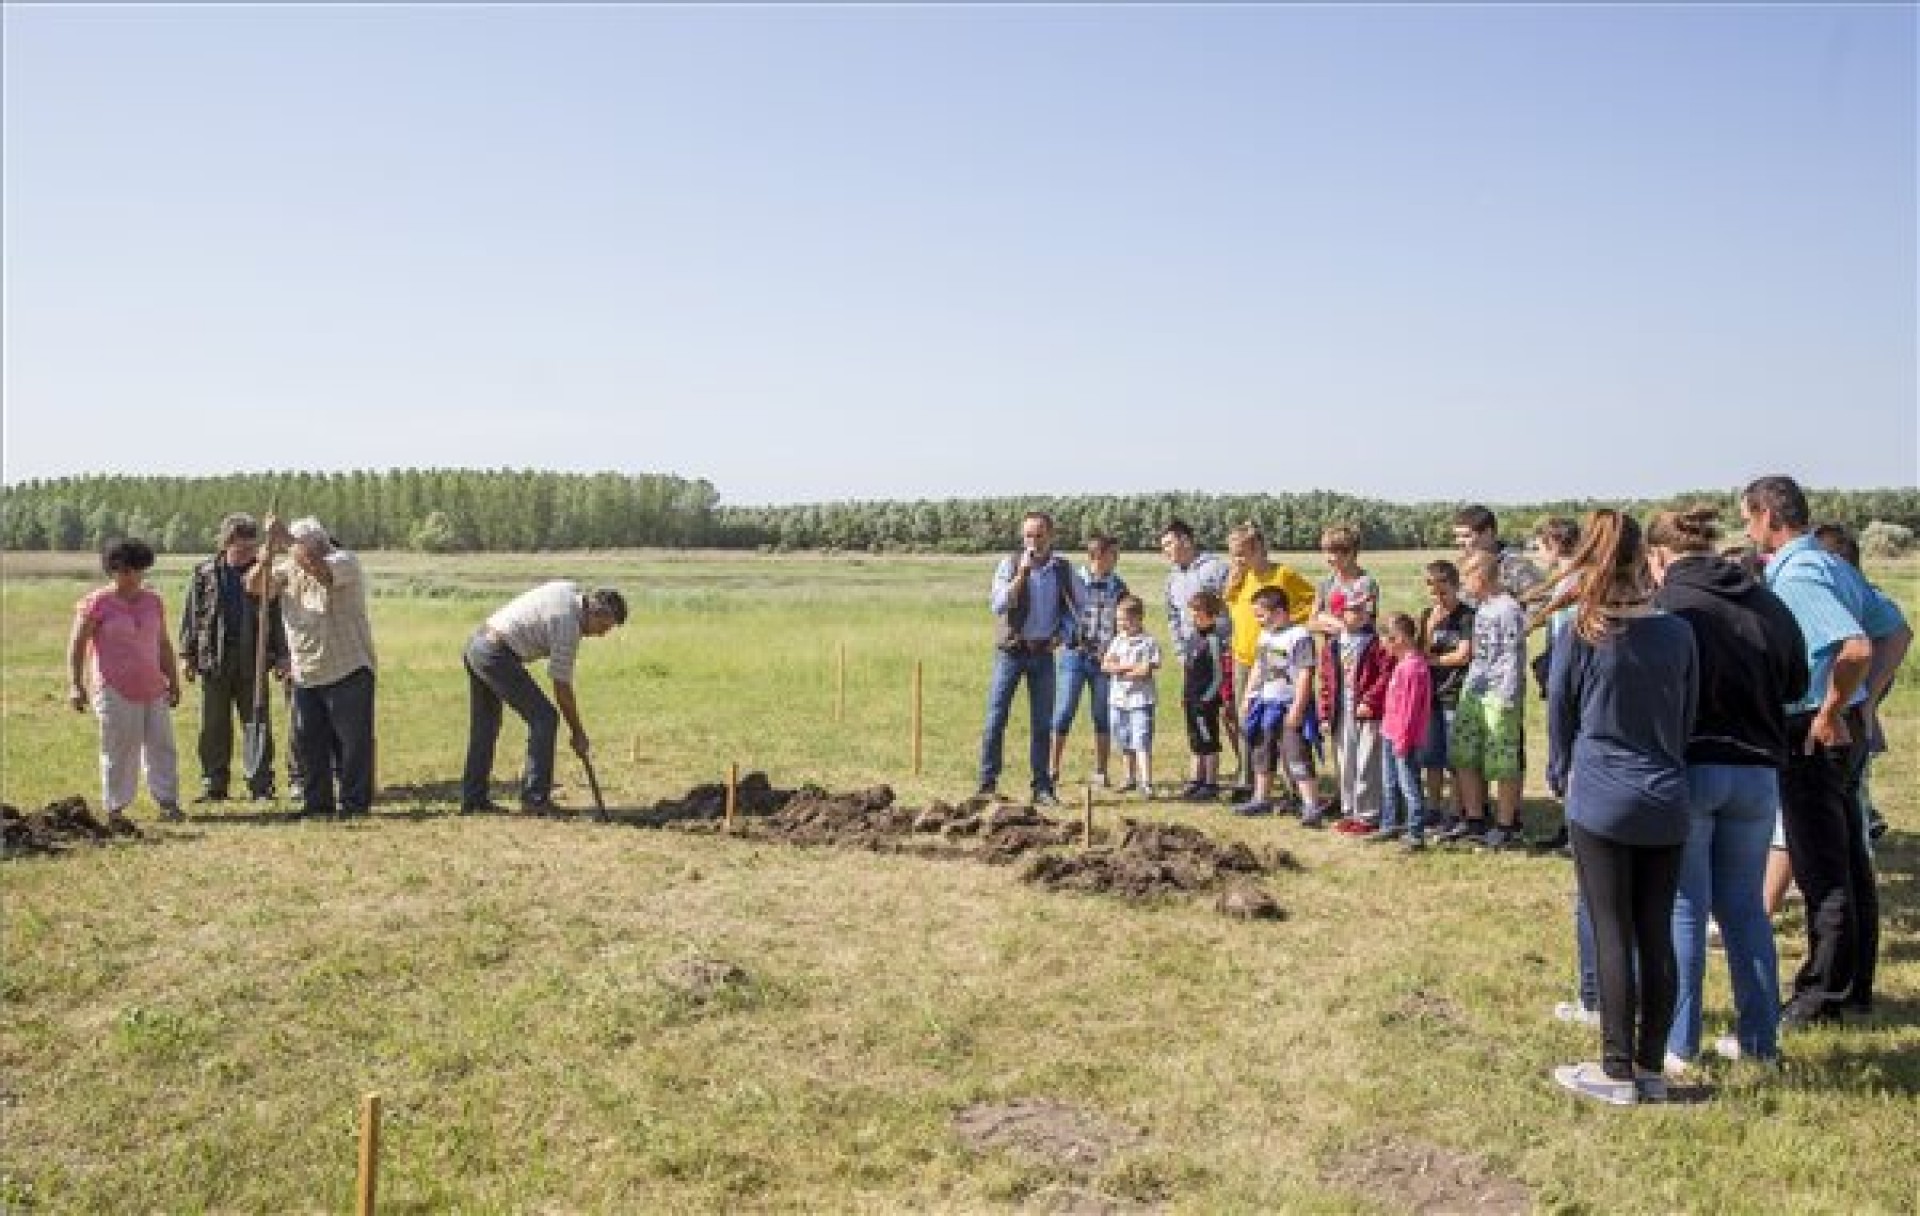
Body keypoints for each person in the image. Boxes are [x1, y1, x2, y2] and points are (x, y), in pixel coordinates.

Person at [1645, 505, 1808, 1067]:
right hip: (1760, 770)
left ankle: (1679, 1042)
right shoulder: (1769, 602)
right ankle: (1761, 1041)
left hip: (1692, 767)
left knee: (1685, 906)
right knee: (1744, 905)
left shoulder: (1668, 606)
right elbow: (1797, 682)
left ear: (1660, 556)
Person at [1546, 510, 1698, 1106]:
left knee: (1612, 932)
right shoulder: (1680, 633)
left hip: (1602, 796)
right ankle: (1651, 1067)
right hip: (1666, 794)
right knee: (1654, 933)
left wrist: (1561, 773)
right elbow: (1687, 715)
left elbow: (1561, 713)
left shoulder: (1582, 630)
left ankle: (1614, 1070)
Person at [1740, 476, 1903, 1026]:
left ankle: (1820, 995)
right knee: (1852, 861)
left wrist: (1832, 711)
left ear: (1767, 516)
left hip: (1812, 727)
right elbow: (1894, 630)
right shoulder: (1831, 563)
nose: (1747, 530)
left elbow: (1856, 645)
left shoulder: (1800, 573)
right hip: (1841, 723)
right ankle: (1854, 985)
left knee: (1822, 867)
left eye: (1748, 518)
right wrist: (1864, 703)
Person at [461, 582, 628, 815]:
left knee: (485, 727)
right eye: (603, 627)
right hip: (496, 654)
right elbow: (562, 687)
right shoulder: (568, 626)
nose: (600, 635)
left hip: (477, 645)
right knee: (544, 718)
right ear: (596, 612)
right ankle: (535, 800)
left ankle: (474, 800)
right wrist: (577, 732)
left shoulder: (569, 590)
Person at [253, 515, 378, 818]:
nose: (296, 551)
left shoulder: (344, 561)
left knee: (353, 744)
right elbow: (256, 587)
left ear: (320, 543)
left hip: (348, 667)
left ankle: (354, 804)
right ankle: (317, 803)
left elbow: (319, 571)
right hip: (306, 673)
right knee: (309, 743)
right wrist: (264, 560)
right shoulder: (289, 567)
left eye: (301, 544)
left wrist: (285, 541)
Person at [66, 539, 183, 828]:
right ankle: (115, 808)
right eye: (127, 571)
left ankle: (168, 803)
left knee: (162, 746)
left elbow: (163, 644)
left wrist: (174, 680)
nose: (135, 577)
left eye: (139, 571)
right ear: (114, 570)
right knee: (120, 747)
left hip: (153, 686)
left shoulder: (153, 601)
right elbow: (77, 644)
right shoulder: (96, 603)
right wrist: (75, 684)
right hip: (113, 687)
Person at [178, 512, 290, 804]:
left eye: (251, 549)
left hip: (252, 662)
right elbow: (192, 615)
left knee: (257, 722)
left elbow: (276, 616)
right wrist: (186, 655)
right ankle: (214, 785)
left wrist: (281, 656)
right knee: (213, 725)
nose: (246, 556)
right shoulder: (204, 573)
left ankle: (261, 784)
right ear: (226, 543)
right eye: (240, 549)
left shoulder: (263, 573)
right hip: (213, 659)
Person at [1811, 523, 1911, 844]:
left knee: (1847, 785)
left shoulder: (1855, 595)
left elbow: (1895, 634)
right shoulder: (1858, 593)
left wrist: (1866, 698)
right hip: (1848, 700)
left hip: (1844, 703)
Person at [980, 512, 1078, 806]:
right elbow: (997, 605)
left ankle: (1042, 787)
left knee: (1041, 724)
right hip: (1011, 651)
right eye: (1028, 536)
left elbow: (1078, 607)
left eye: (1039, 535)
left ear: (1050, 536)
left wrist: (1065, 633)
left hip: (1043, 654)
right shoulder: (1009, 564)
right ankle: (987, 784)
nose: (1033, 542)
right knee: (995, 719)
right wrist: (1020, 576)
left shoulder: (1062, 569)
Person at [1439, 551, 1529, 848]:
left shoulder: (1508, 609)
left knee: (1502, 759)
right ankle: (1474, 818)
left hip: (1499, 695)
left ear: (1480, 576)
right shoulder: (1483, 607)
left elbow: (1513, 655)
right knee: (1465, 754)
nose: (1464, 585)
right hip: (1475, 690)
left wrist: (1507, 697)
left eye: (1466, 578)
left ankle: (1505, 825)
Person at [1223, 522, 1316, 792]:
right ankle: (1250, 778)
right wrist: (1233, 579)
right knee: (1248, 718)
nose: (1237, 560)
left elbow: (1311, 602)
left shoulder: (1283, 574)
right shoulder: (1241, 576)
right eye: (1233, 555)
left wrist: (1290, 626)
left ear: (1259, 549)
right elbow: (1230, 603)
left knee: (1281, 722)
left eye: (1241, 554)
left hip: (1278, 661)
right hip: (1245, 657)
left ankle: (1293, 783)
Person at [1232, 587, 1324, 824]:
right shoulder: (1265, 636)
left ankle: (1311, 805)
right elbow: (1259, 668)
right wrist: (1248, 697)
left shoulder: (1300, 636)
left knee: (1296, 754)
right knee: (1262, 751)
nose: (1258, 620)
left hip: (1290, 705)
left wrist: (1297, 709)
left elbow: (1306, 674)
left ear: (1280, 612)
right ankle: (1261, 798)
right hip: (1266, 704)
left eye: (1261, 615)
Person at [1050, 533, 1127, 790]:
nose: (1116, 558)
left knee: (1101, 714)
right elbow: (1058, 613)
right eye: (1113, 554)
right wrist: (1064, 636)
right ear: (1099, 556)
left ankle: (1101, 771)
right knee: (1064, 712)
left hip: (1104, 660)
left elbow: (1125, 621)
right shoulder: (1074, 582)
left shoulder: (1118, 586)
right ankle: (1052, 769)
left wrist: (1117, 650)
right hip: (1074, 655)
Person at [1318, 589, 1392, 835]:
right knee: (1345, 761)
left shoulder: (1376, 643)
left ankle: (1368, 814)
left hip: (1368, 713)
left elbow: (1385, 675)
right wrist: (1326, 714)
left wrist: (1370, 700)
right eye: (1354, 609)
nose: (1362, 614)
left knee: (1367, 762)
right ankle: (1349, 811)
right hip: (1342, 711)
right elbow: (1327, 682)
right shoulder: (1333, 645)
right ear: (1340, 613)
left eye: (1364, 609)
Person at [1418, 560, 1474, 830]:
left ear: (1456, 587)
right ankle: (1433, 807)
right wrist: (1429, 629)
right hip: (1431, 696)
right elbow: (1418, 653)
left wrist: (1434, 660)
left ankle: (1455, 809)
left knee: (1455, 758)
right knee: (1432, 756)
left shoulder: (1467, 616)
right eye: (1434, 593)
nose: (1439, 598)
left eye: (1444, 592)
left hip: (1456, 693)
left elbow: (1463, 655)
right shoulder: (1428, 615)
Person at [1372, 612, 1433, 851]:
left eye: (1385, 640)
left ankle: (1415, 833)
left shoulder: (1412, 669)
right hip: (1390, 732)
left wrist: (1402, 739)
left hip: (1403, 738)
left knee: (1409, 784)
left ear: (1398, 639)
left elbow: (1409, 710)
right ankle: (1389, 824)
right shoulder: (1402, 665)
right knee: (1389, 782)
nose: (1382, 645)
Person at [1101, 595, 1162, 799]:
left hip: (1140, 700)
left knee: (1141, 740)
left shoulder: (1148, 642)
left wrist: (1120, 669)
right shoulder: (1117, 641)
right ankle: (1129, 778)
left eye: (1125, 620)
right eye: (1118, 621)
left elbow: (1146, 670)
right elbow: (1106, 665)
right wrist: (1126, 668)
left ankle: (1146, 781)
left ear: (1138, 619)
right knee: (1123, 739)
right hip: (1118, 700)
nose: (1121, 625)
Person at [1178, 590, 1229, 801]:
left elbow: (1218, 675)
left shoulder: (1214, 640)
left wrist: (1207, 698)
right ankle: (1195, 780)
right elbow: (1188, 670)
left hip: (1205, 702)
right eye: (1193, 614)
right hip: (1191, 699)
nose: (1194, 618)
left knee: (1208, 742)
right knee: (1195, 740)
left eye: (1199, 614)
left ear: (1212, 615)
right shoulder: (1192, 637)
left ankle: (1210, 783)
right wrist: (1184, 694)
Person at [1452, 505, 1545, 605]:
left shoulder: (1517, 565)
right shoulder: (1465, 564)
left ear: (1488, 533)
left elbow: (1539, 604)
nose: (1459, 541)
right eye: (1457, 536)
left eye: (1466, 536)